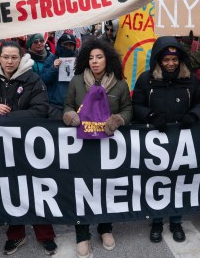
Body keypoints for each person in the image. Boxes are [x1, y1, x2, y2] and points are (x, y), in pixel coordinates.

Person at [0, 41, 55, 255]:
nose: (9, 61)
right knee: (10, 191)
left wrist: (7, 117)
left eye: (14, 57)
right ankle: (16, 235)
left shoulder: (33, 79)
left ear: (21, 58)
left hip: (29, 145)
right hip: (1, 148)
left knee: (37, 189)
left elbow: (40, 110)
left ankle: (45, 235)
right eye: (5, 57)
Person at [62, 38, 132, 258]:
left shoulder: (120, 84)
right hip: (82, 146)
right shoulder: (76, 81)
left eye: (99, 57)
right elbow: (67, 105)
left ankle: (105, 228)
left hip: (108, 147)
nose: (94, 62)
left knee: (106, 188)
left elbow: (128, 108)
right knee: (81, 189)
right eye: (91, 58)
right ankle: (82, 234)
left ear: (108, 59)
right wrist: (69, 115)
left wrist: (119, 119)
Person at [131, 36, 200, 243]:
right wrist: (150, 116)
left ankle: (176, 221)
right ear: (158, 61)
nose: (171, 63)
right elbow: (136, 105)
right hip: (156, 141)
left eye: (174, 59)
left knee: (178, 182)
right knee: (157, 182)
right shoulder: (146, 79)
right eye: (166, 60)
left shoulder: (189, 79)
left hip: (182, 140)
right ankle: (156, 221)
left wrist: (194, 115)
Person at [41, 33, 78, 119]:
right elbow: (43, 80)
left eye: (71, 45)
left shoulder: (78, 60)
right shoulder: (52, 58)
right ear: (60, 45)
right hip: (55, 106)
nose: (68, 47)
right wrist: (53, 68)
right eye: (65, 44)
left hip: (72, 106)